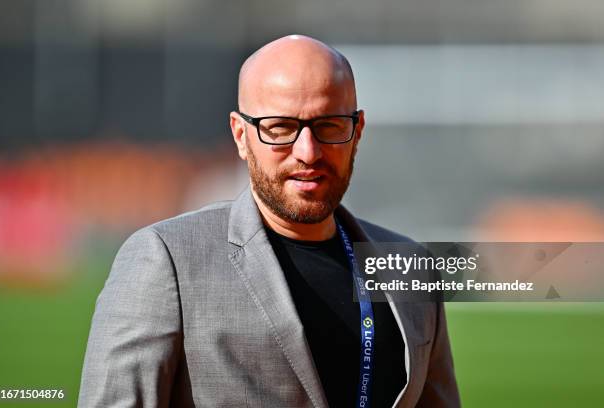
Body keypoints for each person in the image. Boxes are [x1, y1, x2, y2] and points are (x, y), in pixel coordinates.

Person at [78, 35, 460, 408]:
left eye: (329, 126)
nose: (307, 152)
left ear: (357, 131)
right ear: (241, 135)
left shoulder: (411, 269)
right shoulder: (166, 260)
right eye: (280, 128)